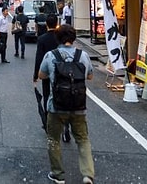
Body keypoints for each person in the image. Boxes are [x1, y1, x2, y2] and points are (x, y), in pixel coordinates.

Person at [38, 24, 94, 184]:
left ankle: (58, 174)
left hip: (56, 106)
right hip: (78, 106)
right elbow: (90, 76)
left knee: (53, 139)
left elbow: (42, 75)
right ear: (74, 38)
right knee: (83, 139)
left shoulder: (51, 55)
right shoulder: (83, 56)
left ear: (58, 38)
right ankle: (88, 174)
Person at [33, 14, 59, 130]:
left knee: (46, 94)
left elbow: (39, 58)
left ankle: (47, 120)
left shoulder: (42, 39)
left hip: (46, 70)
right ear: (57, 23)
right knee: (59, 94)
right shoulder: (60, 38)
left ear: (46, 24)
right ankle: (61, 120)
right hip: (60, 71)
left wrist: (35, 74)